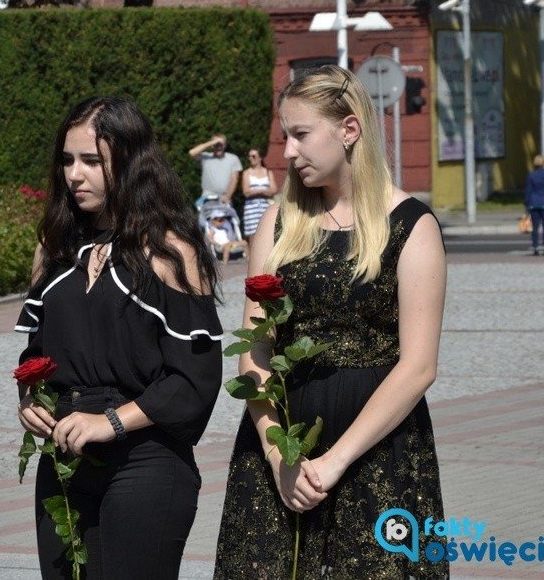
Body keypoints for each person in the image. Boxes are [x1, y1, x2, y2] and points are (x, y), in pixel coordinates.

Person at [214, 66, 448, 578]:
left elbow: (418, 367)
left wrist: (335, 460)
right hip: (282, 449)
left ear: (349, 130)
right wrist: (278, 455)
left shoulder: (410, 226)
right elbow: (255, 349)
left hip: (377, 451)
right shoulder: (278, 224)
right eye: (286, 136)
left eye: (300, 134)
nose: (288, 152)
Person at [16, 96, 224, 579]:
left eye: (92, 161)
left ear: (130, 162)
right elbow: (36, 353)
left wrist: (109, 421)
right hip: (64, 458)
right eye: (67, 160)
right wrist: (29, 399)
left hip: (145, 459)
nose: (75, 175)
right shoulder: (54, 248)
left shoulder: (171, 252)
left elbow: (194, 379)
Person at [189, 133, 243, 206]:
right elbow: (192, 153)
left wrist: (228, 196)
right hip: (207, 197)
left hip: (225, 198)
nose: (219, 147)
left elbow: (234, 179)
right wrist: (212, 142)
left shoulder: (233, 159)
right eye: (216, 145)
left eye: (221, 144)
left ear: (225, 145)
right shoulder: (206, 157)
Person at [240, 147, 278, 244]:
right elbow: (246, 192)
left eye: (253, 156)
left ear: (260, 157)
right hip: (251, 209)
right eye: (249, 156)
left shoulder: (268, 172)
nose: (251, 158)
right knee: (252, 236)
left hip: (266, 207)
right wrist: (264, 191)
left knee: (268, 233)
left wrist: (255, 191)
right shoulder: (247, 173)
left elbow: (274, 189)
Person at [524, 154, 544, 256]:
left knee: (535, 227)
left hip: (534, 202)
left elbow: (528, 190)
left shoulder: (531, 175)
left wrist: (526, 204)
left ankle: (535, 248)